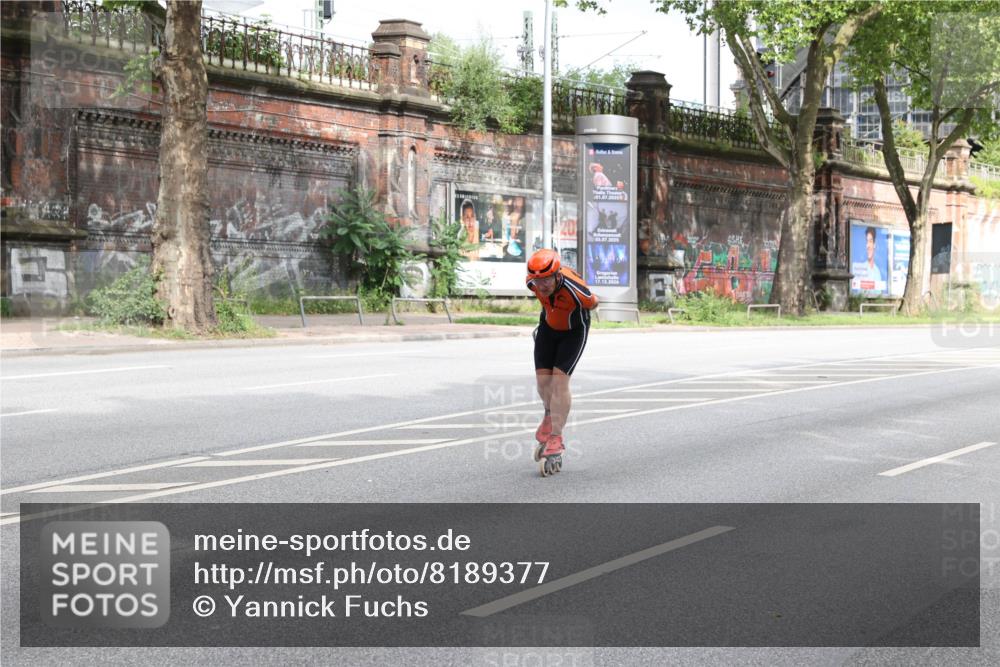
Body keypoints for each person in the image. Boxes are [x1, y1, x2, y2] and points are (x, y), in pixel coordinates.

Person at [526, 248, 599, 476]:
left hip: (574, 332)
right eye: (538, 280)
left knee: (559, 382)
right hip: (548, 328)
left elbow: (593, 303)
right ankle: (549, 415)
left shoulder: (577, 290)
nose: (542, 285)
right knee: (542, 382)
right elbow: (542, 296)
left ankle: (556, 437)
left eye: (547, 279)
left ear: (557, 274)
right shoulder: (532, 283)